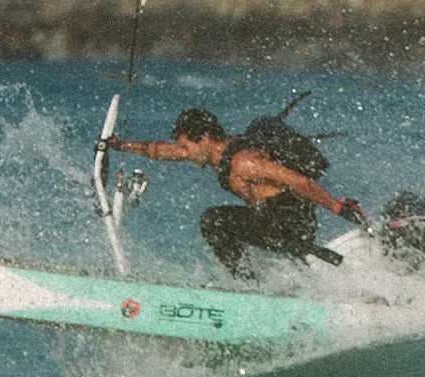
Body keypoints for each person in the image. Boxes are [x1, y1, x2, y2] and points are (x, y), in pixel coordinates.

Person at [106, 107, 367, 279]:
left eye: (186, 145)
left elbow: (298, 182)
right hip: (267, 218)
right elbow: (162, 150)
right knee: (219, 222)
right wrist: (120, 146)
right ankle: (251, 280)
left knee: (215, 220)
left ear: (204, 138)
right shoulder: (216, 153)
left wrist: (337, 207)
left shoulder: (244, 161)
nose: (183, 152)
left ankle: (247, 284)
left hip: (290, 222)